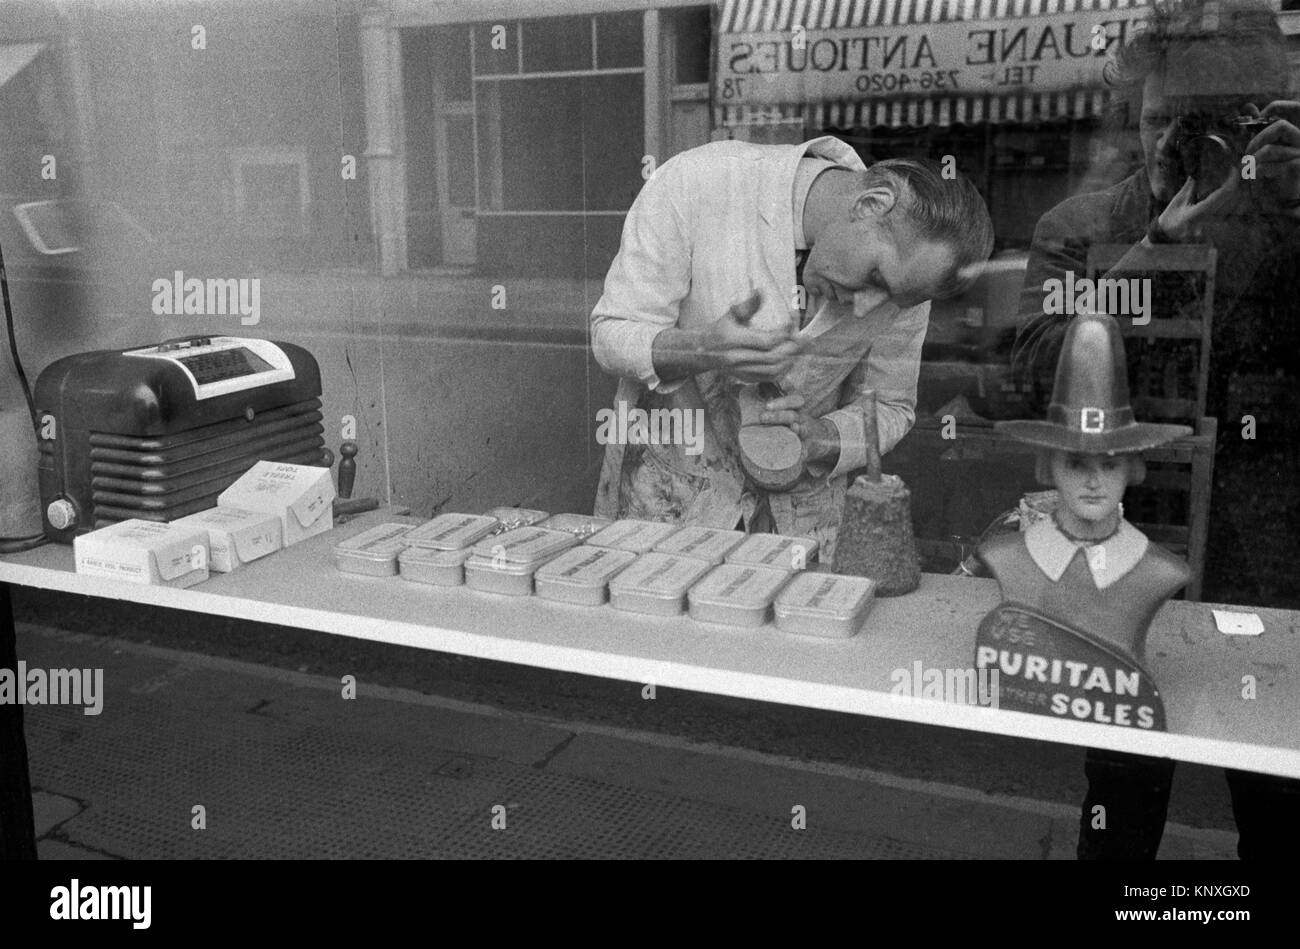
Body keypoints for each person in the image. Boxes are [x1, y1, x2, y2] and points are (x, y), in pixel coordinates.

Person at [1010, 0, 1300, 859]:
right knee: (1121, 796)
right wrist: (1154, 257)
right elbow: (1036, 370)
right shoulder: (1084, 228)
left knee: (1278, 797)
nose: (1178, 141)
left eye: (1206, 121)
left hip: (1271, 567)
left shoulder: (1287, 214)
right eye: (1161, 117)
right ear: (1135, 113)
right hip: (1124, 543)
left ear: (1256, 120)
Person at [590, 136, 993, 560]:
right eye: (875, 278)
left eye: (891, 297)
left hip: (805, 525)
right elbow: (611, 333)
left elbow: (891, 408)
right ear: (872, 203)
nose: (870, 306)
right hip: (671, 504)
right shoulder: (698, 182)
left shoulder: (909, 280)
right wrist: (701, 350)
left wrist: (824, 438)